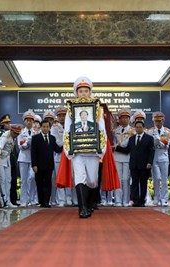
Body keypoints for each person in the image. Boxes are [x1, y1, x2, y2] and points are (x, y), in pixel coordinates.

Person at [63, 76, 107, 218]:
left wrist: (102, 149)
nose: (83, 93)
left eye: (85, 91)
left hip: (93, 151)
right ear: (76, 93)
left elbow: (102, 130)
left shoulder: (97, 109)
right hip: (77, 151)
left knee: (92, 180)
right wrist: (68, 149)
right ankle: (82, 208)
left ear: (90, 92)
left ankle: (88, 204)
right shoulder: (70, 109)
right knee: (80, 177)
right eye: (80, 91)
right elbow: (67, 130)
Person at [116, 120, 154, 207]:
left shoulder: (149, 138)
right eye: (137, 127)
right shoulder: (131, 138)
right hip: (134, 164)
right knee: (134, 183)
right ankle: (135, 200)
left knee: (143, 183)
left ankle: (142, 201)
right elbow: (127, 150)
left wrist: (149, 162)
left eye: (140, 127)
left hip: (144, 165)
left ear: (143, 128)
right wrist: (116, 148)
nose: (138, 129)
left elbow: (152, 152)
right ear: (135, 128)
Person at [31, 119, 62, 207]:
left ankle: (47, 202)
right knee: (40, 183)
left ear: (49, 128)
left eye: (47, 127)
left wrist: (65, 145)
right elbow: (33, 153)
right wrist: (34, 165)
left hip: (49, 165)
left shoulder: (52, 138)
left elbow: (57, 149)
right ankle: (41, 202)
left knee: (48, 183)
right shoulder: (35, 138)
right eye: (44, 127)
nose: (45, 128)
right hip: (39, 165)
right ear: (41, 127)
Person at [148, 112, 170, 207]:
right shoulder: (150, 131)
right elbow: (150, 145)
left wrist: (158, 141)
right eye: (156, 121)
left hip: (164, 156)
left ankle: (164, 198)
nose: (157, 123)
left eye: (159, 121)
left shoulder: (167, 131)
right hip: (154, 156)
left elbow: (166, 145)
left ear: (163, 121)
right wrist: (157, 141)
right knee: (156, 178)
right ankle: (156, 198)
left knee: (164, 179)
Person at [0, 125, 22, 208]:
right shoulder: (5, 136)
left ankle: (8, 201)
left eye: (17, 134)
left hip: (7, 159)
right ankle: (2, 201)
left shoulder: (13, 137)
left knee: (8, 180)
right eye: (15, 133)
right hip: (0, 160)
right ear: (11, 131)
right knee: (2, 180)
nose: (16, 135)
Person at [113, 108, 133, 207]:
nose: (124, 120)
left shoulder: (132, 131)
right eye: (123, 118)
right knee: (118, 179)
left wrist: (117, 146)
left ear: (129, 119)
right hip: (116, 157)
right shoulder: (115, 131)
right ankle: (118, 200)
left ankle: (125, 200)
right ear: (119, 119)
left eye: (126, 118)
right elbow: (112, 143)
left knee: (126, 179)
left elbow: (127, 146)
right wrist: (116, 146)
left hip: (127, 157)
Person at [50, 106, 69, 207]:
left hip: (70, 156)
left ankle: (70, 198)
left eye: (64, 115)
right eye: (60, 115)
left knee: (71, 176)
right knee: (60, 177)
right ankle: (61, 199)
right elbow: (57, 143)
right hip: (59, 156)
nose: (62, 117)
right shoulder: (54, 127)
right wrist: (66, 144)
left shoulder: (71, 126)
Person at [18, 110, 36, 207]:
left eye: (31, 120)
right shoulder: (21, 132)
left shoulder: (35, 132)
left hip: (33, 158)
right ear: (24, 121)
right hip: (23, 158)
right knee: (24, 180)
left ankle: (32, 199)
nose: (29, 122)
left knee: (32, 178)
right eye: (27, 120)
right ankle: (23, 200)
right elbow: (20, 146)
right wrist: (27, 143)